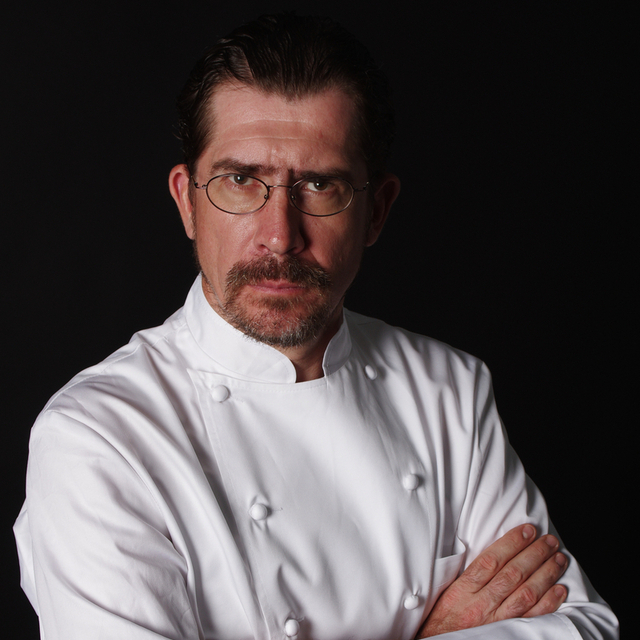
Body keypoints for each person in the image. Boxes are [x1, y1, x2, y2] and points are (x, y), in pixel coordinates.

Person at [14, 13, 617, 640]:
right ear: (188, 202)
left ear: (377, 211)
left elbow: (584, 626)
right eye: (241, 181)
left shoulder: (449, 390)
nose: (280, 236)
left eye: (320, 185)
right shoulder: (100, 438)